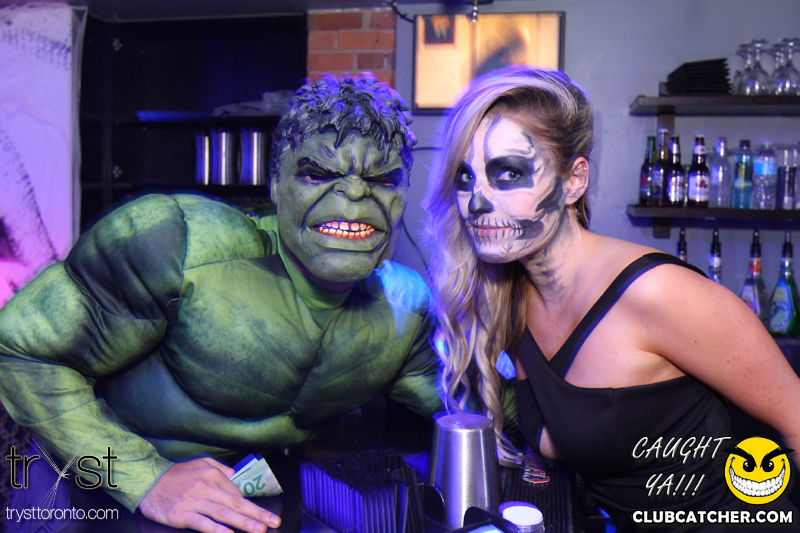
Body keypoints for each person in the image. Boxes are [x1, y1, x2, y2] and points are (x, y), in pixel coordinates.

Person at [0, 73, 443, 533]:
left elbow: (469, 415)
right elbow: (19, 350)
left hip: (232, 495)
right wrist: (147, 478)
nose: (354, 195)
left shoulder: (405, 310)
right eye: (318, 173)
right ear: (275, 183)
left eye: (382, 178)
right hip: (83, 480)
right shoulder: (181, 243)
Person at [423, 66, 800, 530]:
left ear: (573, 181)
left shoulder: (659, 294)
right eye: (464, 177)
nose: (476, 202)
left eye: (508, 172)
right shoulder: (511, 297)